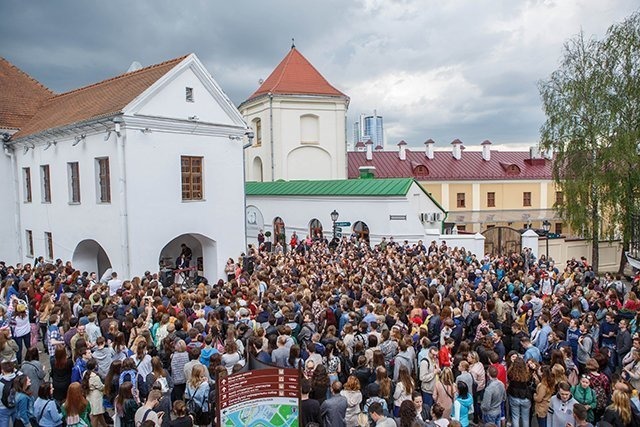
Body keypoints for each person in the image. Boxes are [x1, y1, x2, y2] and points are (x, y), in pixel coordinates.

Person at [507, 357, 532, 427]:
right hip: (525, 397)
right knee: (525, 418)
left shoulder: (511, 374)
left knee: (515, 417)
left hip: (514, 396)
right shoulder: (527, 374)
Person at [82, 359, 107, 427]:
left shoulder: (85, 373)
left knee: (99, 413)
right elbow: (101, 387)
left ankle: (105, 425)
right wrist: (106, 385)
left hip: (89, 395)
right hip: (96, 397)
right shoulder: (95, 377)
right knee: (95, 415)